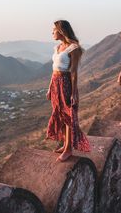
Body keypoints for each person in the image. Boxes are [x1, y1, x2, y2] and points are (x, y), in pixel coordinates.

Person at [46, 20, 90, 161]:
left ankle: (69, 149)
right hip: (55, 83)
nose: (52, 32)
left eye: (54, 30)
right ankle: (65, 144)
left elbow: (73, 72)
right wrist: (49, 88)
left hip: (65, 83)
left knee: (68, 116)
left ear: (61, 31)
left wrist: (74, 93)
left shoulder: (73, 48)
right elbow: (54, 69)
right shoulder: (57, 47)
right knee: (60, 115)